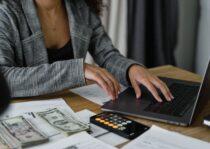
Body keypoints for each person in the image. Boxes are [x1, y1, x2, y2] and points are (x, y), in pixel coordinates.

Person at [0, 0, 173, 102]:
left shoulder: (80, 7)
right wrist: (78, 70)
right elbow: (4, 78)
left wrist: (131, 69)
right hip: (23, 118)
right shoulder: (6, 10)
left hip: (71, 106)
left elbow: (107, 54)